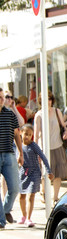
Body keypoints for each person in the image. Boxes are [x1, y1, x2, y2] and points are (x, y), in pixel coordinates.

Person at [33, 90, 67, 204]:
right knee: (45, 173)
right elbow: (36, 134)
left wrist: (66, 132)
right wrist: (35, 151)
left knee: (58, 173)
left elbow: (64, 126)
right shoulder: (39, 115)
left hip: (57, 145)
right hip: (44, 147)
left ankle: (55, 197)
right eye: (45, 99)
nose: (47, 102)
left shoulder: (57, 111)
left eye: (49, 99)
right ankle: (44, 193)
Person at [17, 124, 53, 227]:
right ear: (21, 133)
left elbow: (43, 157)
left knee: (31, 195)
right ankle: (23, 216)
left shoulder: (33, 145)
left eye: (30, 135)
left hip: (34, 172)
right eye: (25, 134)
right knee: (21, 195)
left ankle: (29, 218)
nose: (27, 137)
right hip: (23, 173)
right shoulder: (18, 145)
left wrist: (48, 171)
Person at [0, 88, 24, 228]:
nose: (2, 99)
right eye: (0, 97)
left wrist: (21, 153)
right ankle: (1, 220)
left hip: (9, 154)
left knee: (15, 188)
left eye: (3, 97)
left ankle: (5, 210)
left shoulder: (10, 114)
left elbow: (17, 134)